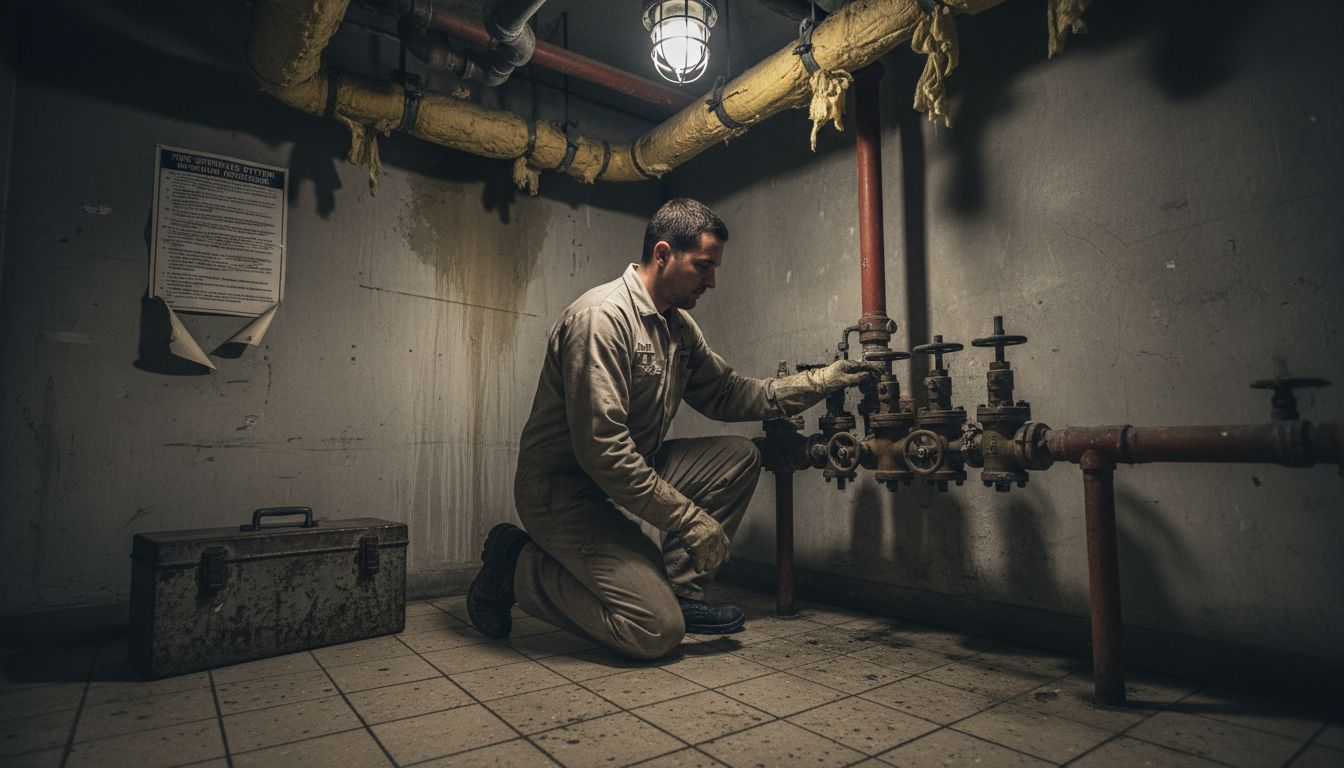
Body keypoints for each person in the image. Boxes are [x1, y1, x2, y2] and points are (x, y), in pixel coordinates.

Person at [466, 198, 879, 660]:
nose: (712, 281)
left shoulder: (678, 328)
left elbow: (728, 392)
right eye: (703, 266)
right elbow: (604, 453)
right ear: (663, 254)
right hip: (562, 490)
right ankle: (515, 566)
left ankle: (681, 593)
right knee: (653, 629)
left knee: (739, 458)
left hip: (620, 475)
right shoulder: (601, 319)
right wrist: (690, 521)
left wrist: (820, 381)